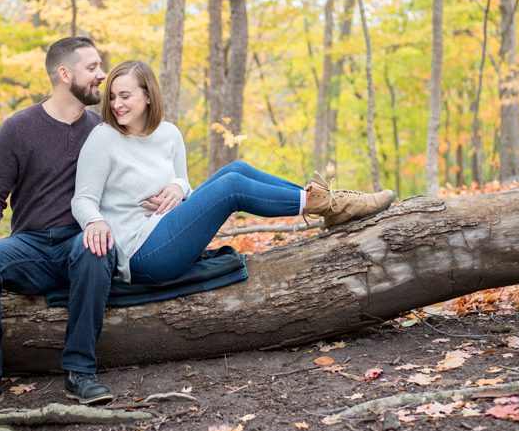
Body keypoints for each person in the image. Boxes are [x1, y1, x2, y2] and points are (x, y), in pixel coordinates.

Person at [71, 60, 396, 287]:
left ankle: (325, 201)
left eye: (125, 96)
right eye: (112, 96)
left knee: (236, 168)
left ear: (147, 95)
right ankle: (331, 205)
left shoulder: (168, 134)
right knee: (233, 186)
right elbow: (83, 199)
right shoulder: (104, 139)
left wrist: (177, 186)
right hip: (143, 255)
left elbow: (184, 183)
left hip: (168, 231)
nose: (116, 104)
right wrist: (96, 222)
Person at [0, 36, 125, 412]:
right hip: (28, 247)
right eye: (92, 67)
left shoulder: (102, 131)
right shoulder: (18, 128)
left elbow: (131, 180)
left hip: (78, 243)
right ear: (65, 74)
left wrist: (175, 188)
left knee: (96, 249)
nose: (101, 75)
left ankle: (80, 373)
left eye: (100, 66)